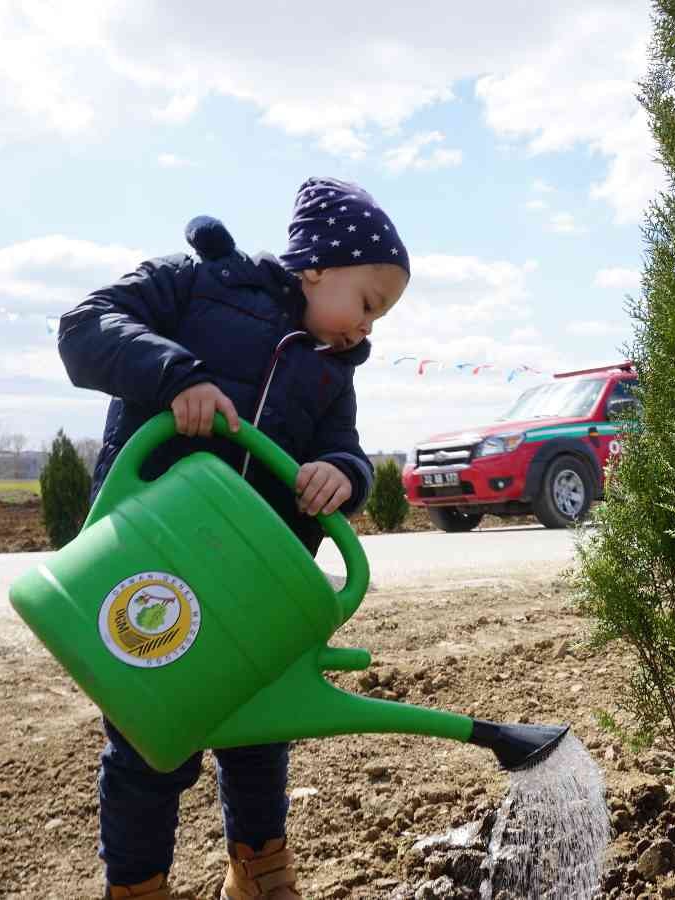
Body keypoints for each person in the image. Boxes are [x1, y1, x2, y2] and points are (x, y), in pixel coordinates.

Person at [56, 176, 410, 900]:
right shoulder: (196, 289)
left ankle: (259, 868)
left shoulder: (330, 374)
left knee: (257, 730)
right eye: (370, 304)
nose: (369, 327)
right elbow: (85, 328)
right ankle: (138, 886)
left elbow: (344, 448)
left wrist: (342, 475)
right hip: (152, 563)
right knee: (149, 739)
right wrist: (174, 376)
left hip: (254, 581)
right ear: (316, 265)